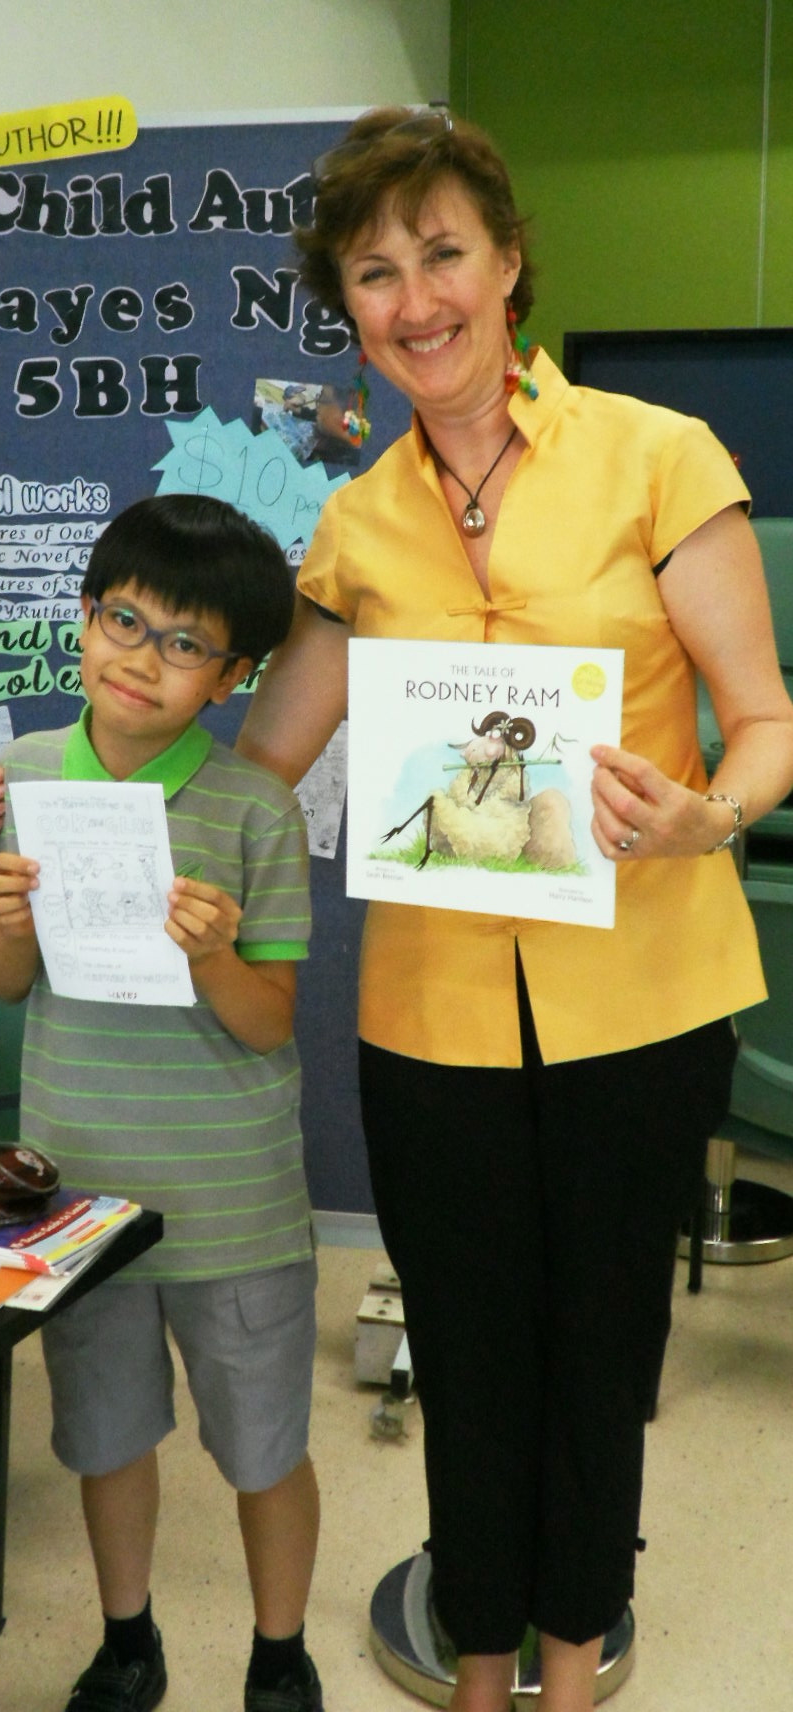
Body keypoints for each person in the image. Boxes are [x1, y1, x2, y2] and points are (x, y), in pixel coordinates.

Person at [228, 108, 793, 1712]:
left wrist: (709, 814)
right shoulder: (359, 521)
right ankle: (481, 1667)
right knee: (467, 1358)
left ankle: (569, 1658)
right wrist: (79, 794)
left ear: (509, 260)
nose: (416, 300)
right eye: (375, 272)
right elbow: (262, 760)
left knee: (601, 1356)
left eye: (443, 254)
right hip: (431, 1014)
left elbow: (767, 721)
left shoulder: (657, 456)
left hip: (644, 997)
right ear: (349, 310)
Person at [0, 495, 324, 1712]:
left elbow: (271, 1021)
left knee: (263, 1447)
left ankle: (279, 1653)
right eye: (124, 620)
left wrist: (214, 955)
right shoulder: (23, 776)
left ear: (231, 677)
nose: (142, 658)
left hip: (233, 1205)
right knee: (106, 1436)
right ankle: (129, 1641)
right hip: (80, 1190)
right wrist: (9, 923)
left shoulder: (255, 807)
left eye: (185, 643)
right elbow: (4, 980)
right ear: (85, 617)